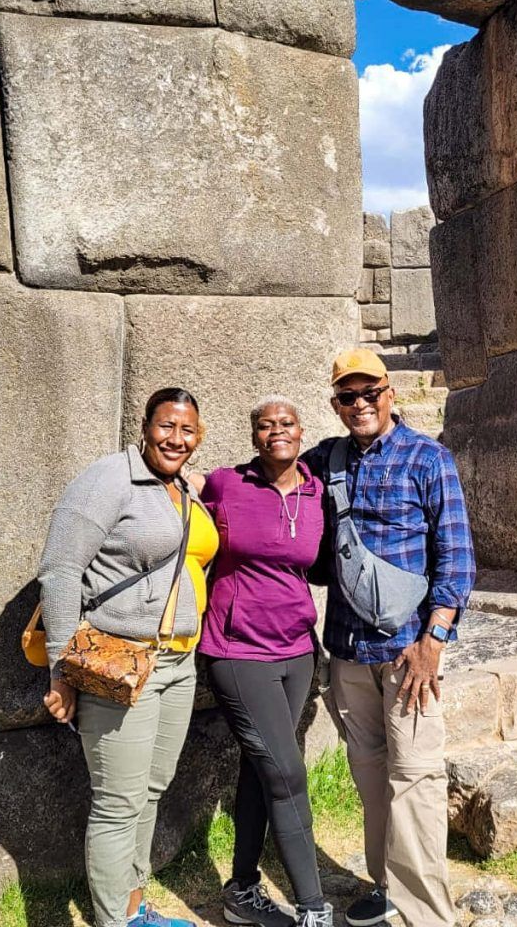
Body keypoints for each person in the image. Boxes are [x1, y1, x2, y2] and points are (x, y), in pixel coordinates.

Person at [304, 349, 477, 927]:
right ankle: (386, 890)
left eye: (369, 393)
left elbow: (456, 558)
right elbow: (267, 477)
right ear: (335, 404)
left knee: (418, 778)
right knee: (372, 780)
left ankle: (426, 915)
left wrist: (434, 640)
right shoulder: (324, 462)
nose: (360, 405)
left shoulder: (429, 459)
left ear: (390, 393)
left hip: (410, 652)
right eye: (347, 397)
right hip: (350, 650)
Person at [38, 387, 219, 927]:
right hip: (119, 662)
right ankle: (112, 921)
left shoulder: (180, 487)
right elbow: (61, 571)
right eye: (167, 426)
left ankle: (136, 910)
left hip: (177, 664)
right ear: (144, 426)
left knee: (152, 791)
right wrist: (62, 671)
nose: (176, 439)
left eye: (188, 431)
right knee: (118, 804)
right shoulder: (109, 480)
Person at [198, 396, 333, 927]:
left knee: (262, 770)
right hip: (237, 651)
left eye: (287, 423)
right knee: (287, 773)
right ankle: (314, 908)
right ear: (253, 437)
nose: (277, 430)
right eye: (265, 425)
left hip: (298, 650)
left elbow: (318, 566)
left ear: (301, 432)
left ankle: (242, 891)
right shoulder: (225, 485)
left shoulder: (315, 491)